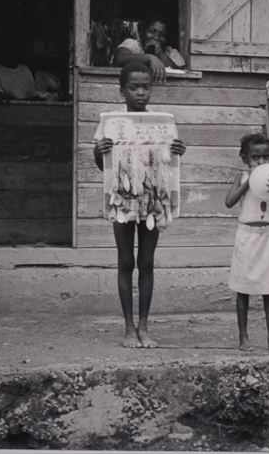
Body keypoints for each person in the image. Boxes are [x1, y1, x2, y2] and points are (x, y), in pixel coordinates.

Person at [93, 61, 186, 348]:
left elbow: (168, 164)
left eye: (146, 87)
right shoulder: (111, 123)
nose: (141, 93)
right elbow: (103, 166)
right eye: (134, 88)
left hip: (151, 200)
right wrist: (100, 151)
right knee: (125, 261)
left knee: (146, 263)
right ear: (123, 91)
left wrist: (177, 151)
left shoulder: (162, 124)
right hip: (122, 199)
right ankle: (128, 327)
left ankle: (145, 326)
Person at [225, 133, 269, 355]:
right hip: (247, 236)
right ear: (245, 158)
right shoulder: (242, 177)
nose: (261, 163)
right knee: (243, 290)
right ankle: (243, 337)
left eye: (266, 157)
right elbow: (229, 201)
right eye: (256, 158)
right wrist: (248, 183)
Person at [113, 18, 186, 83]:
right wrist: (149, 58)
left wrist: (160, 54)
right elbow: (119, 58)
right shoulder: (133, 44)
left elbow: (182, 72)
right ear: (144, 32)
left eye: (162, 34)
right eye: (152, 31)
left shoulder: (171, 51)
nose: (156, 37)